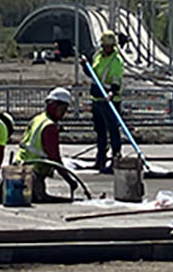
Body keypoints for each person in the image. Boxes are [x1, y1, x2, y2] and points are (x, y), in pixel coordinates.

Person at [15, 86, 80, 201]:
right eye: (62, 110)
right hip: (32, 173)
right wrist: (70, 180)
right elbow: (54, 158)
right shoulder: (49, 127)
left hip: (20, 168)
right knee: (43, 199)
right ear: (53, 106)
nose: (63, 114)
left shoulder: (38, 119)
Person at [88, 30, 124, 174]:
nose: (107, 49)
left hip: (110, 101)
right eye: (105, 46)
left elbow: (116, 79)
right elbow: (94, 73)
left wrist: (112, 92)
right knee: (100, 131)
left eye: (109, 46)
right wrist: (85, 67)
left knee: (113, 131)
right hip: (97, 99)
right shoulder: (98, 57)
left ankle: (116, 159)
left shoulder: (116, 61)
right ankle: (100, 159)